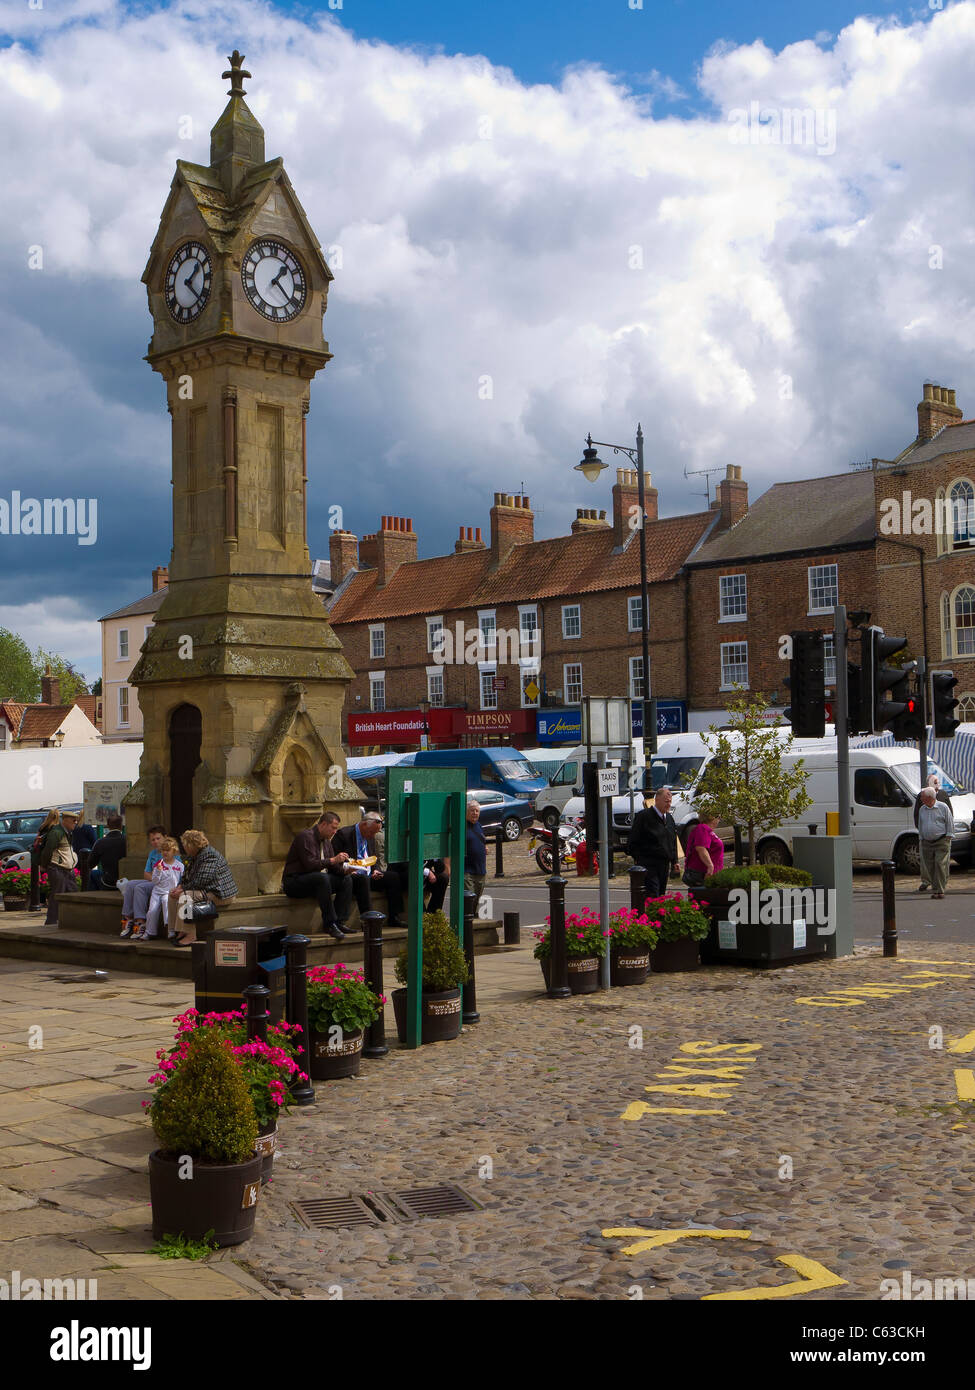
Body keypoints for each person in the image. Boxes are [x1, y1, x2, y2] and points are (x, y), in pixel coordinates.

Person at [282, 811, 357, 938]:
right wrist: (334, 859)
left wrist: (346, 870)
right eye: (333, 828)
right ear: (323, 824)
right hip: (294, 882)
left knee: (346, 879)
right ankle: (329, 923)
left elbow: (333, 868)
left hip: (318, 882)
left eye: (336, 828)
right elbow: (310, 865)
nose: (335, 832)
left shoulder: (327, 842)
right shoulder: (305, 837)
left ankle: (340, 921)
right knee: (322, 878)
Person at [332, 813, 405, 927]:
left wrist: (375, 870)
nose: (373, 835)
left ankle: (394, 916)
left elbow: (371, 858)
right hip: (352, 874)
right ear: (364, 824)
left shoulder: (370, 837)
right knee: (362, 878)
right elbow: (336, 860)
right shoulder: (344, 834)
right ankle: (368, 919)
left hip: (368, 874)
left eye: (375, 833)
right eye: (372, 832)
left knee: (393, 877)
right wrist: (349, 868)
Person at [170, 830, 238, 946]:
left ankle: (190, 935)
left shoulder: (209, 855)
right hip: (205, 890)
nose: (184, 848)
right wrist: (180, 886)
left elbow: (202, 881)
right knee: (171, 895)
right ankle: (175, 930)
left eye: (185, 845)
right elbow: (186, 875)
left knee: (185, 897)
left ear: (191, 845)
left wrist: (183, 890)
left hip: (220, 894)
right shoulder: (194, 855)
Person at [627, 786, 680, 898]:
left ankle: (658, 915)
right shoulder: (644, 816)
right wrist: (639, 858)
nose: (668, 804)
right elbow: (632, 840)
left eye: (670, 802)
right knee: (652, 894)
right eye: (666, 801)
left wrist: (674, 861)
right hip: (649, 864)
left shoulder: (669, 818)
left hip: (664, 865)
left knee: (661, 895)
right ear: (657, 800)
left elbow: (672, 841)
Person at [120, 825, 166, 937]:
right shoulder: (152, 854)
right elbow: (146, 874)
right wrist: (154, 878)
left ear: (165, 837)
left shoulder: (171, 852)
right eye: (153, 840)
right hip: (153, 881)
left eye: (158, 838)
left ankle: (141, 922)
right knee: (130, 884)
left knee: (140, 888)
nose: (155, 842)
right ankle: (128, 919)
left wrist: (155, 878)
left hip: (164, 885)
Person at [36, 809, 79, 925]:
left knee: (73, 892)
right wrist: (44, 866)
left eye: (76, 820)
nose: (75, 823)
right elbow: (48, 850)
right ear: (65, 820)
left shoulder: (67, 832)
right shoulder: (56, 832)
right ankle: (51, 921)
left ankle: (72, 920)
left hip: (66, 869)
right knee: (58, 894)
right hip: (57, 868)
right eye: (73, 820)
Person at [137, 837, 184, 940]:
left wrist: (179, 888)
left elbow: (183, 879)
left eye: (168, 850)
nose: (165, 853)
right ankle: (149, 931)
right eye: (163, 850)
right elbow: (154, 880)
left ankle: (170, 930)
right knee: (152, 911)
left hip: (169, 892)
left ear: (174, 851)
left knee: (167, 906)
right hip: (157, 891)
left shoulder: (180, 865)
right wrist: (158, 871)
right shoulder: (158, 865)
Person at [913, 775, 953, 891]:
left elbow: (949, 815)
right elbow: (918, 815)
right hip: (926, 838)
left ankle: (941, 884)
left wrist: (948, 834)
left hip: (942, 837)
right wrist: (922, 832)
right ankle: (927, 881)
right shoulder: (922, 796)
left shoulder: (943, 796)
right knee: (927, 863)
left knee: (941, 863)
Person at [683, 811, 724, 887]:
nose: (719, 820)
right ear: (713, 818)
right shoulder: (703, 828)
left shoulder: (707, 830)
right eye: (719, 817)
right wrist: (710, 866)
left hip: (709, 873)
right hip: (702, 873)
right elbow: (701, 848)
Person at [87, 815, 126, 890]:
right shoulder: (127, 841)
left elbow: (91, 864)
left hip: (108, 881)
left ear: (108, 826)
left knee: (93, 874)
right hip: (125, 880)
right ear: (121, 826)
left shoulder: (101, 842)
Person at [464, 798, 487, 917]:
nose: (475, 813)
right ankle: (466, 925)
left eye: (477, 811)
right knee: (469, 898)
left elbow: (480, 841)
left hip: (480, 870)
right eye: (472, 811)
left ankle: (472, 924)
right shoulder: (462, 827)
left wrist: (484, 848)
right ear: (466, 812)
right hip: (467, 870)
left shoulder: (479, 826)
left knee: (476, 901)